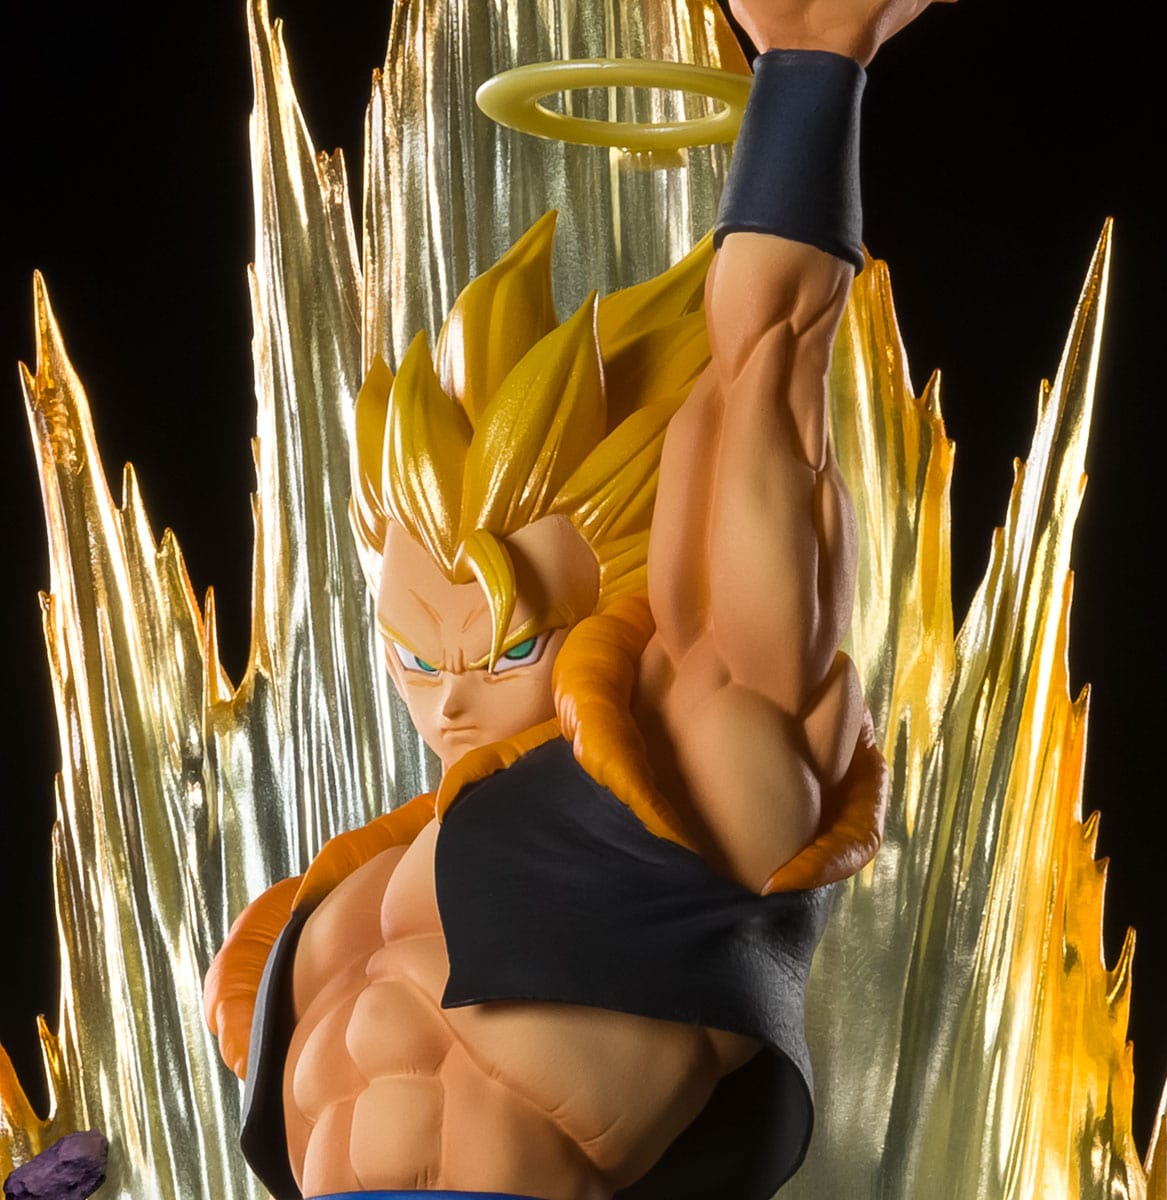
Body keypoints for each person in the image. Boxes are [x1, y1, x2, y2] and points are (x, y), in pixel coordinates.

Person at [205, 0, 943, 1196]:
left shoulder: (698, 769)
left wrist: (812, 65)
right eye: (416, 655)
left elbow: (765, 366)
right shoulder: (347, 891)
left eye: (505, 649)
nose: (450, 703)